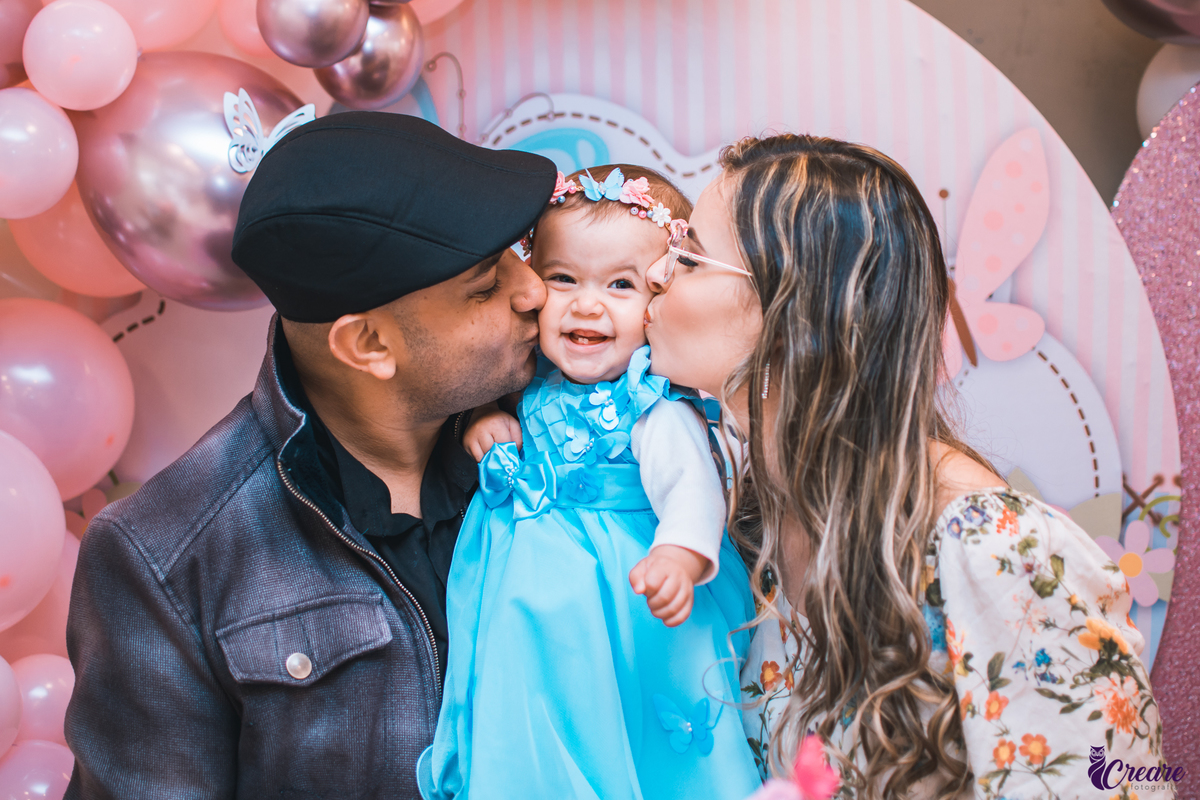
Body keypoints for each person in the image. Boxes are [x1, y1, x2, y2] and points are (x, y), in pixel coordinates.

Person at [644, 135, 1170, 798]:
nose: (656, 273)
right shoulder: (745, 519)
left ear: (794, 317)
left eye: (689, 256)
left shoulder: (995, 547)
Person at [63, 113, 558, 799]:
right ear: (368, 347)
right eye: (484, 285)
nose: (534, 291)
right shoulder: (166, 556)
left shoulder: (574, 449)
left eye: (520, 252)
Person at [418, 165, 763, 800]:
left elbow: (690, 485)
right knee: (531, 702)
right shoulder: (522, 382)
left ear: (659, 299)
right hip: (524, 593)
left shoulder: (650, 403)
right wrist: (487, 422)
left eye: (621, 285)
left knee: (631, 719)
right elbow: (503, 422)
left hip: (621, 583)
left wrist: (680, 555)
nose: (587, 303)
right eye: (563, 278)